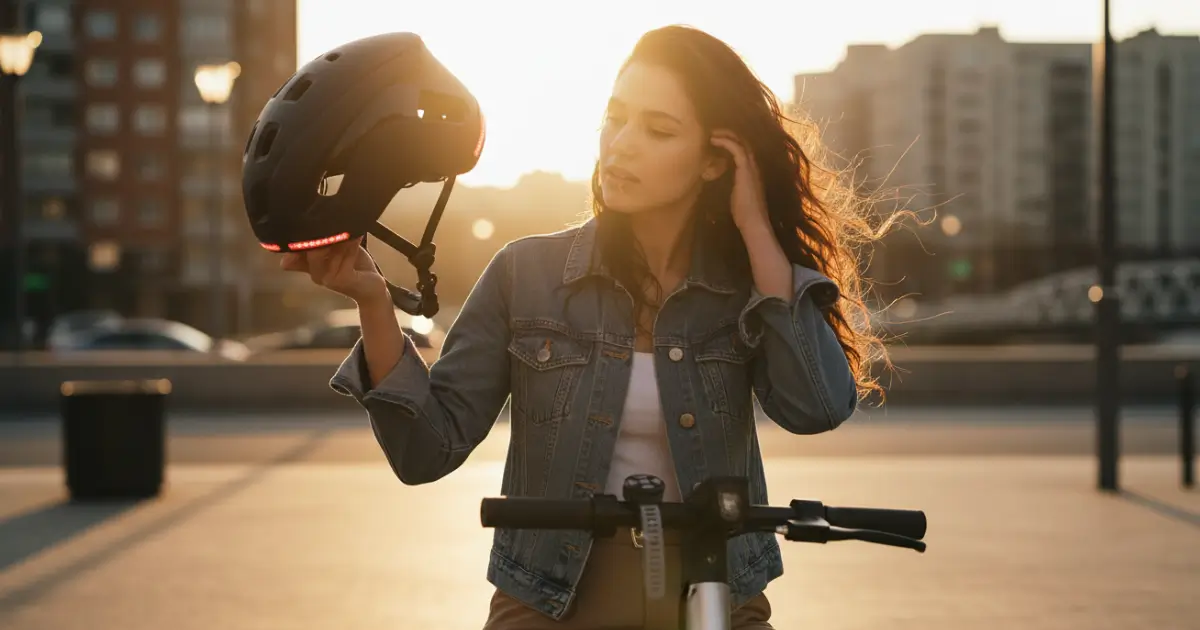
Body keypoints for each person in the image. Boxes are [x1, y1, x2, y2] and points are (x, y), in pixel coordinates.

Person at [281, 24, 890, 630]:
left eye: (658, 130)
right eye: (615, 117)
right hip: (548, 599)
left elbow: (817, 407)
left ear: (713, 162)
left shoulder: (744, 290)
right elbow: (425, 450)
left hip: (718, 593)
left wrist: (756, 229)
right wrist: (372, 300)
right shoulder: (526, 275)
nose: (621, 144)